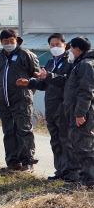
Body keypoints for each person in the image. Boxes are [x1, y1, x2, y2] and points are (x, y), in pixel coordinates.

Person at [16, 33, 78, 181]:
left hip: (64, 106)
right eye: (52, 45)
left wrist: (49, 76)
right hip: (51, 107)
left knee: (66, 141)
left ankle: (71, 173)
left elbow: (67, 81)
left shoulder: (71, 62)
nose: (55, 47)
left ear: (65, 45)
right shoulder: (50, 63)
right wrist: (30, 82)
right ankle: (60, 171)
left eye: (58, 44)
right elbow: (44, 84)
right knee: (55, 141)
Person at [0, 29, 40, 172]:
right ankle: (13, 163)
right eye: (5, 42)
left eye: (11, 41)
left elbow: (38, 78)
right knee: (8, 132)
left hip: (21, 100)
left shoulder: (25, 55)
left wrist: (27, 91)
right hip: (4, 102)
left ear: (16, 40)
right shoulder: (0, 57)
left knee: (24, 130)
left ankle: (28, 162)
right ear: (1, 42)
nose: (8, 44)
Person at [63, 37, 94, 187]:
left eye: (70, 48)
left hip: (84, 113)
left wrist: (80, 114)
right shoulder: (80, 63)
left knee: (84, 146)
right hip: (77, 111)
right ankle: (84, 178)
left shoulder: (86, 64)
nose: (69, 52)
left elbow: (86, 92)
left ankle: (89, 180)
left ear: (76, 49)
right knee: (79, 145)